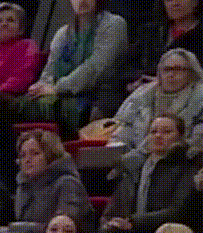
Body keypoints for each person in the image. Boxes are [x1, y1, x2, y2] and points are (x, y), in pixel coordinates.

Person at [97, 112, 203, 233]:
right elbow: (114, 207)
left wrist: (133, 222)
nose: (158, 136)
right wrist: (108, 223)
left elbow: (178, 211)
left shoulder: (188, 165)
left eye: (167, 132)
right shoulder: (134, 167)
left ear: (180, 137)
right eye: (153, 132)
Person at [21, 0, 128, 135]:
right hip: (59, 94)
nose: (82, 1)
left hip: (96, 96)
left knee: (19, 108)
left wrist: (57, 88)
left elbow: (95, 67)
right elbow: (50, 69)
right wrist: (41, 86)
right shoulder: (63, 33)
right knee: (21, 104)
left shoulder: (114, 24)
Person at [0, 128, 92, 233]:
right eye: (23, 155)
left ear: (50, 156)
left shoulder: (68, 184)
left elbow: (64, 231)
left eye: (35, 153)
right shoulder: (22, 187)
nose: (27, 160)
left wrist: (17, 229)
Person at [110, 49, 203, 161]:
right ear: (159, 73)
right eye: (166, 69)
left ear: (191, 74)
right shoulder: (141, 95)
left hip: (178, 161)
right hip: (131, 159)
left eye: (178, 69)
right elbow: (122, 129)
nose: (171, 74)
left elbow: (198, 140)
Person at [122, 0, 203, 90]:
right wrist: (138, 80)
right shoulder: (150, 31)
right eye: (169, 0)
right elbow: (124, 68)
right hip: (145, 92)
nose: (174, 3)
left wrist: (162, 80)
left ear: (196, 2)